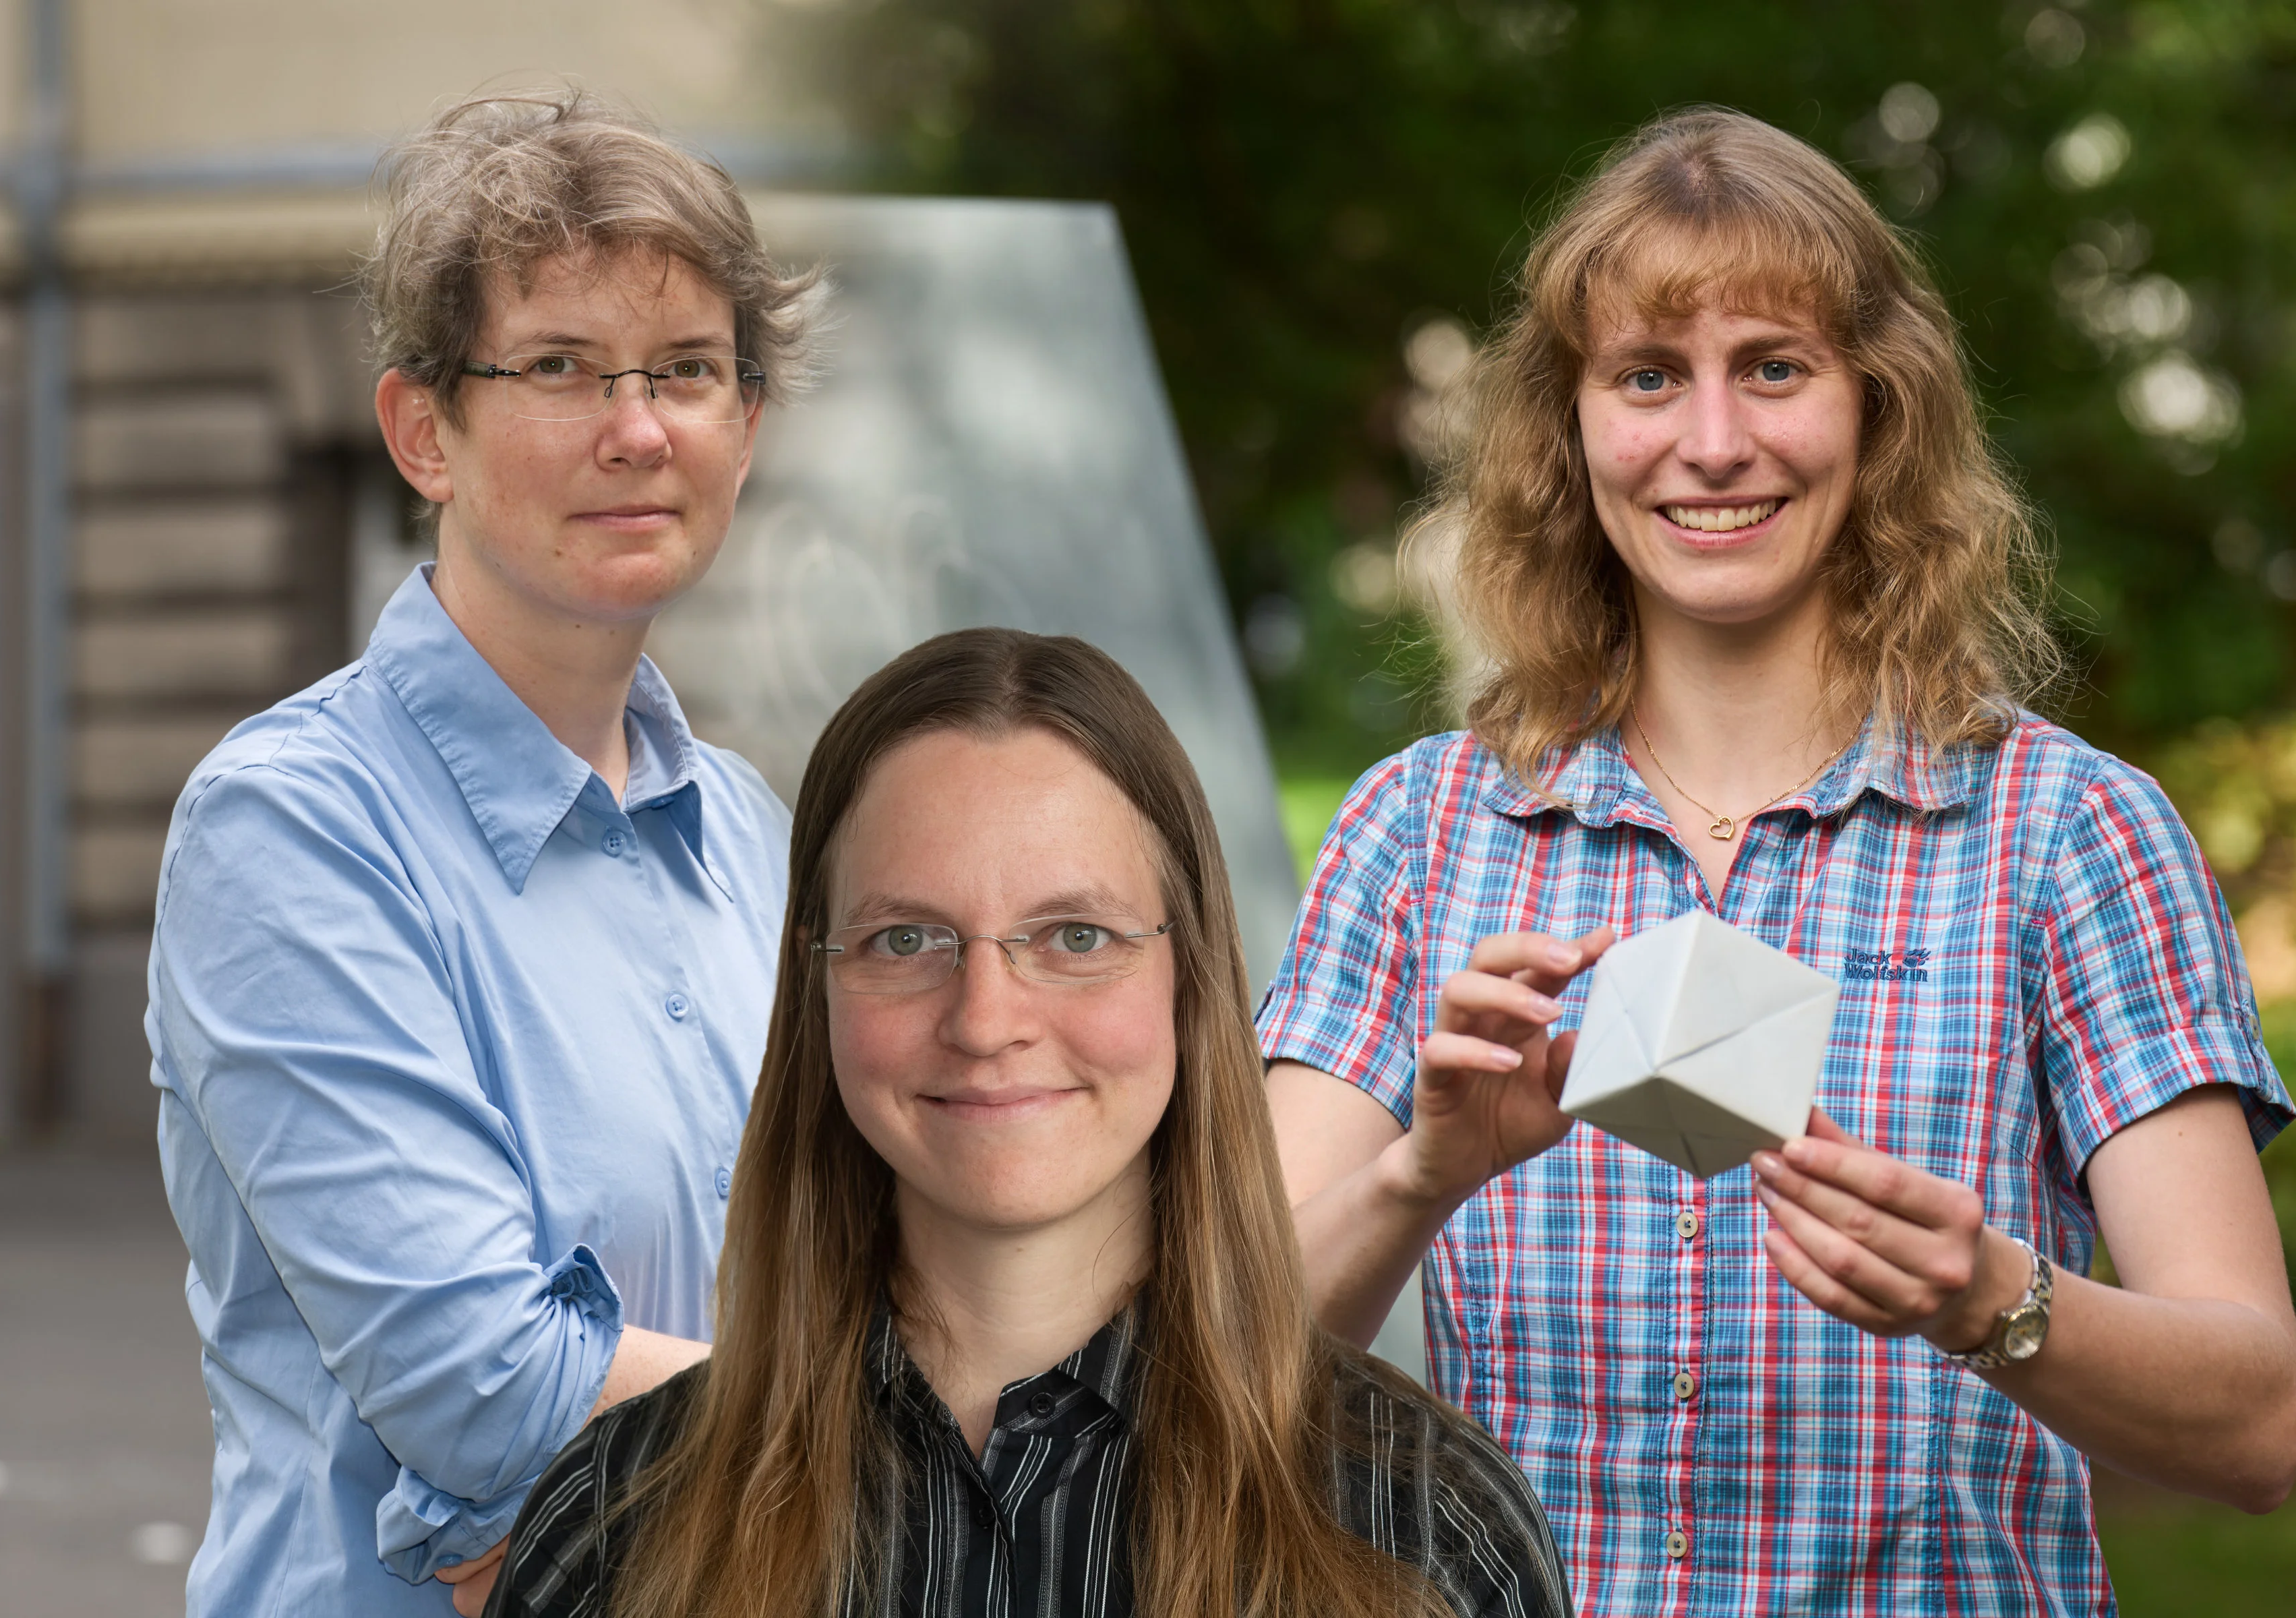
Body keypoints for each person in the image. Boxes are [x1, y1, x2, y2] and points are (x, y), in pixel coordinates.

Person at [1262, 107, 2296, 1615]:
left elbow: (2260, 1423)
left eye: (1774, 367)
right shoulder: (1417, 833)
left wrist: (1991, 1301)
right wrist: (1419, 1177)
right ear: (1572, 428)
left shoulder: (2069, 835)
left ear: (1877, 408)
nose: (1714, 443)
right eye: (1646, 377)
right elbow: (1212, 1374)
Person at [482, 628, 1572, 1618]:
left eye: (1077, 937)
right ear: (816, 986)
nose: (988, 1021)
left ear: (1191, 977)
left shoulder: (1430, 1532)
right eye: (908, 940)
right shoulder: (617, 1527)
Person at [146, 89, 826, 1616]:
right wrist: (939, 1424)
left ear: (747, 427)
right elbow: (487, 1387)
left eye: (687, 372)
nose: (638, 428)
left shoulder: (757, 835)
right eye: (563, 368)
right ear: (421, 432)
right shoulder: (292, 832)